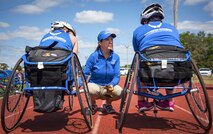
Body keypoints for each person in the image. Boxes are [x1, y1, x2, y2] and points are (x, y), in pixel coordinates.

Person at [132, 3, 185, 112]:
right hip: (175, 68)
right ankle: (169, 101)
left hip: (150, 68)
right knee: (171, 64)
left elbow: (137, 51)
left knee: (139, 64)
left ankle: (142, 102)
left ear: (145, 20)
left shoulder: (138, 30)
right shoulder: (172, 28)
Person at [83, 30, 123, 114]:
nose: (110, 41)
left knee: (120, 92)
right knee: (89, 89)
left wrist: (112, 84)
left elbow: (116, 75)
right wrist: (77, 85)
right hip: (95, 85)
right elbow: (85, 73)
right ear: (100, 43)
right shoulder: (93, 56)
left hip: (108, 87)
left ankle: (108, 104)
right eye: (107, 39)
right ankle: (93, 104)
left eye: (111, 39)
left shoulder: (116, 57)